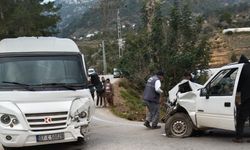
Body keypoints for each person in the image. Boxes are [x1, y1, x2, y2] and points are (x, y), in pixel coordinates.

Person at [233, 54, 250, 143]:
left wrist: (234, 90)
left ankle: (238, 138)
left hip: (247, 97)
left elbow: (238, 85)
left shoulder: (242, 68)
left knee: (241, 118)